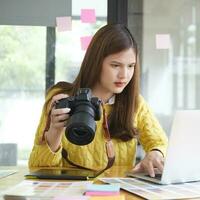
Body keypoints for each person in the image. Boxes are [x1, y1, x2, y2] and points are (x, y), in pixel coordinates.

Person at [29, 24, 168, 177]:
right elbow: (37, 169)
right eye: (115, 65)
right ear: (96, 62)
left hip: (119, 194)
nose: (124, 75)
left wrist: (156, 153)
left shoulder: (136, 103)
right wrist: (55, 131)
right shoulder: (62, 99)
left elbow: (161, 143)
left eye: (131, 66)